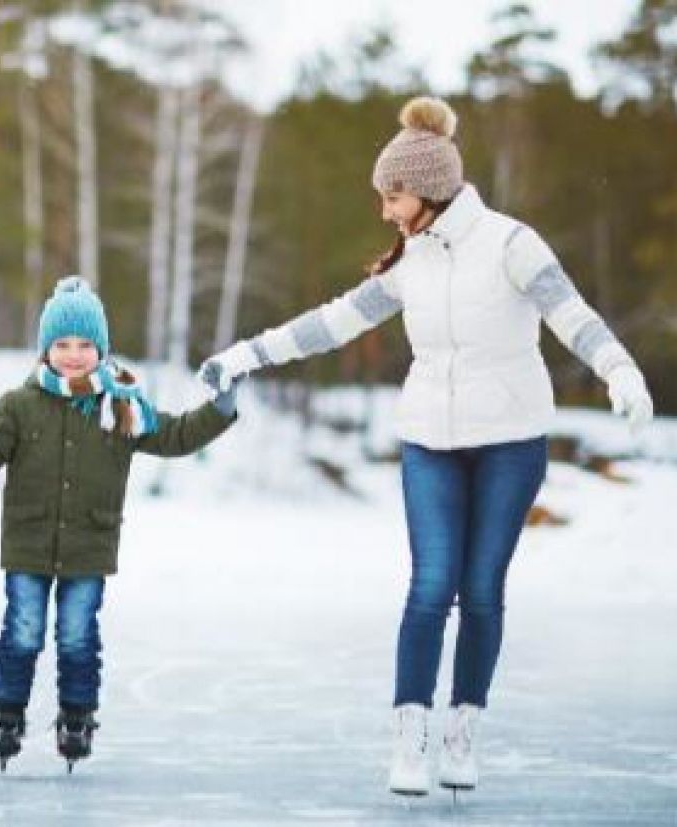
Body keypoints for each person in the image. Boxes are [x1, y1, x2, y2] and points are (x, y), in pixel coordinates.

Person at [200, 96, 654, 796]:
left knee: (481, 591)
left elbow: (572, 314)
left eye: (394, 195)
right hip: (430, 444)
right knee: (430, 585)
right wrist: (245, 355)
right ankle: (409, 738)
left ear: (431, 189)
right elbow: (331, 324)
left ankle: (461, 731)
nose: (385, 210)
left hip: (509, 443)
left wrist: (620, 370)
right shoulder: (411, 261)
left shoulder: (510, 244)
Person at [0, 277, 238, 771]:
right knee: (23, 631)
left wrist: (220, 409)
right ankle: (6, 712)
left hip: (89, 547)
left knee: (78, 635)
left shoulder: (120, 406)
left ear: (101, 349)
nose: (74, 354)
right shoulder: (19, 404)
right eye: (62, 344)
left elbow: (176, 435)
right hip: (29, 543)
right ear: (45, 350)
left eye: (85, 345)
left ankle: (77, 715)